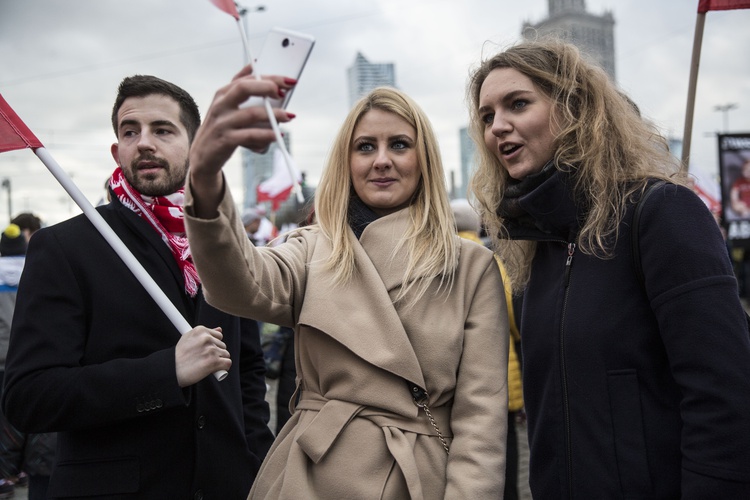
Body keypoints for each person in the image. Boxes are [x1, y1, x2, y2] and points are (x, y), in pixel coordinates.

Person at [184, 81, 509, 498]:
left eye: (400, 145)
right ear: (346, 160)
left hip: (416, 479)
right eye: (366, 147)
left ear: (424, 158)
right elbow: (239, 283)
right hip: (310, 474)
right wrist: (206, 176)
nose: (382, 161)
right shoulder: (311, 249)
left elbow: (480, 420)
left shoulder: (470, 266)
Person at [467, 38, 750, 498]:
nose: (498, 126)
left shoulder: (662, 213)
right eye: (486, 116)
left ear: (575, 108)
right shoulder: (532, 250)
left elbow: (725, 397)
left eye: (518, 104)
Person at [2, 74, 277, 499]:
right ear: (117, 150)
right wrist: (165, 372)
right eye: (130, 131)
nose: (144, 142)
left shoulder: (225, 245)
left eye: (163, 130)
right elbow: (29, 396)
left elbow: (247, 371)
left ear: (196, 145)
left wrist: (259, 466)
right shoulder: (65, 248)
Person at [450, 198, 524, 500]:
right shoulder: (489, 261)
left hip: (455, 385)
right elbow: (515, 321)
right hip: (499, 383)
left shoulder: (434, 262)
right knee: (503, 455)